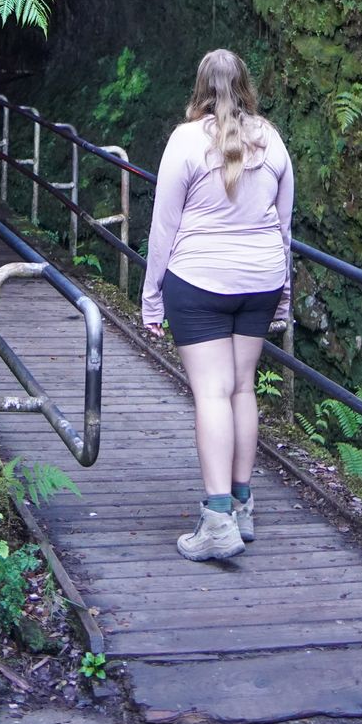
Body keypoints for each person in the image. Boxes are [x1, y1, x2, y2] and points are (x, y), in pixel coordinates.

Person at [142, 48, 293, 561]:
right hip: (261, 280)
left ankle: (217, 521)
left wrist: (150, 296)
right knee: (241, 387)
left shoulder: (185, 141)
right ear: (246, 86)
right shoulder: (271, 141)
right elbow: (284, 226)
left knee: (211, 392)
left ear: (200, 87)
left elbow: (164, 226)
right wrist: (284, 293)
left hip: (201, 279)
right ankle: (243, 505)